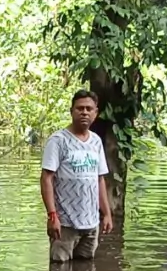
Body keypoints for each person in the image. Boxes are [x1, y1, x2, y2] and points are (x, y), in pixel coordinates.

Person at [40, 90, 113, 262]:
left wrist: (107, 214)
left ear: (96, 113)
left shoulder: (96, 141)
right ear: (71, 111)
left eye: (89, 109)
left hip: (91, 223)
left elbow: (99, 179)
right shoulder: (58, 141)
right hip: (65, 224)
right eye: (80, 108)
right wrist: (52, 216)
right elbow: (46, 178)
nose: (84, 112)